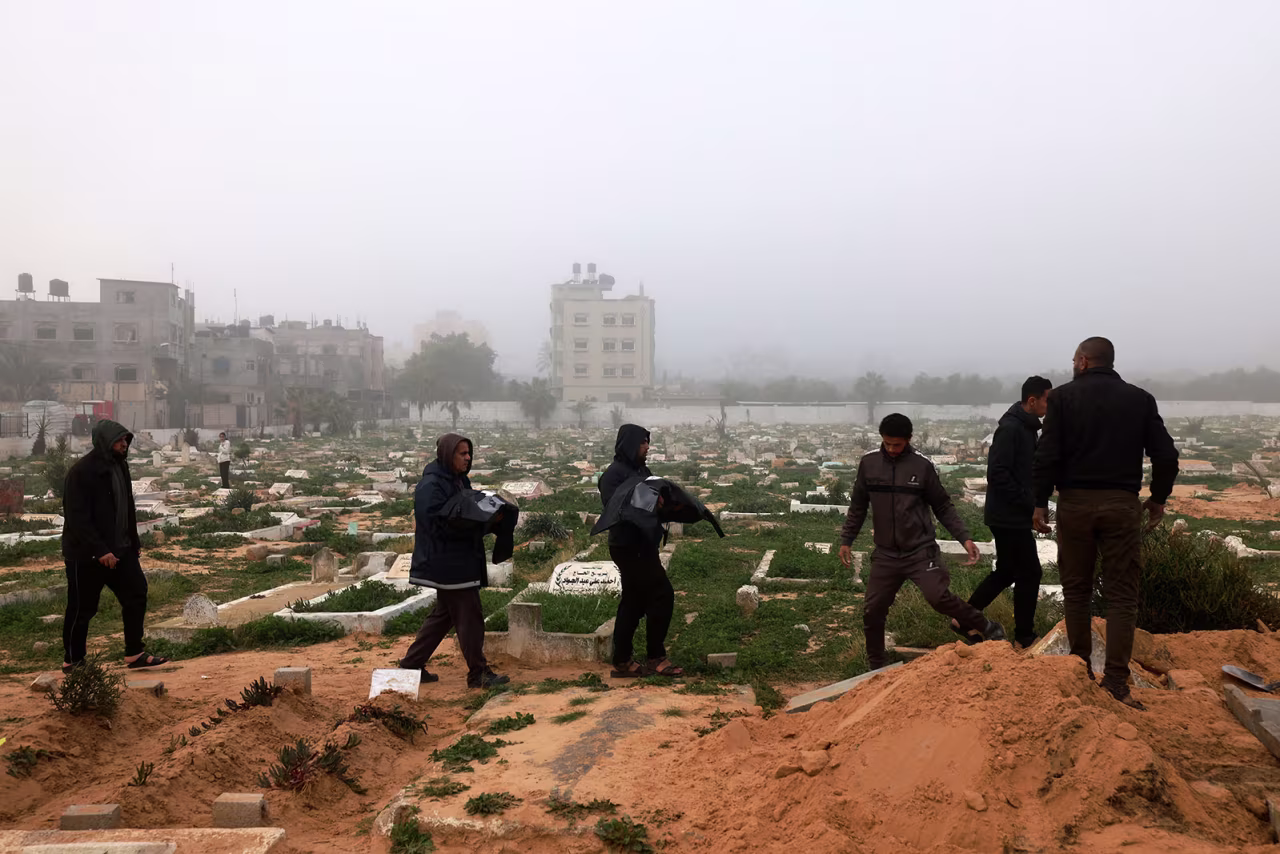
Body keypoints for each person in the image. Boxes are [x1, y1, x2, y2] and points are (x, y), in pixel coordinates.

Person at [1033, 337, 1179, 710]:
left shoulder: (1062, 399)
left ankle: (1080, 673)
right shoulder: (1139, 399)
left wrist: (1037, 502)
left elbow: (1047, 455)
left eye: (1073, 359)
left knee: (1077, 591)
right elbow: (1165, 454)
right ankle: (1116, 682)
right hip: (1122, 505)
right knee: (1122, 596)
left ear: (1083, 361)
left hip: (1075, 505)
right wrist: (1158, 498)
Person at [839, 413, 1005, 671]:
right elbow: (858, 506)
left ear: (909, 439)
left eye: (898, 444)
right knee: (873, 610)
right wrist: (847, 539)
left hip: (920, 550)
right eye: (887, 444)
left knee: (938, 597)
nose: (892, 450)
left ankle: (987, 627)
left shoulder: (922, 466)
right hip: (886, 554)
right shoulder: (869, 464)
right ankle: (876, 667)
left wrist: (964, 537)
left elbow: (943, 506)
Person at [399, 433, 509, 689]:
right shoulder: (432, 486)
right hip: (447, 563)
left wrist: (490, 520)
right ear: (448, 455)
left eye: (469, 454)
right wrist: (475, 525)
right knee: (470, 615)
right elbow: (435, 525)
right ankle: (478, 673)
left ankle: (411, 665)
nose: (468, 459)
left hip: (460, 559)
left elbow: (467, 511)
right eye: (462, 454)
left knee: (444, 616)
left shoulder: (459, 481)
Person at [61, 420, 170, 672]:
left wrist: (133, 542)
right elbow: (78, 519)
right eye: (120, 440)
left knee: (136, 593)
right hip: (87, 555)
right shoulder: (81, 472)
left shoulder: (120, 466)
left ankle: (134, 653)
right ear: (105, 442)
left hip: (121, 550)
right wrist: (100, 551)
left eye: (126, 440)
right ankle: (73, 661)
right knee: (82, 609)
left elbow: (125, 509)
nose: (124, 444)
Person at [960, 376, 1053, 649]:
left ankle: (964, 619)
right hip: (1007, 515)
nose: (1050, 405)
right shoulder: (1011, 429)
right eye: (1048, 399)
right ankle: (1024, 636)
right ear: (1032, 400)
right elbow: (998, 474)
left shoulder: (1025, 428)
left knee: (1008, 571)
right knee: (1030, 573)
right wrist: (1029, 506)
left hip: (1012, 513)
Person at [599, 424, 682, 678]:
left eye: (647, 442)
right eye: (643, 442)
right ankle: (656, 657)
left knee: (633, 602)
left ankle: (623, 660)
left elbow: (652, 497)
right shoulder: (613, 475)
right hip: (628, 546)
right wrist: (649, 502)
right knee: (662, 595)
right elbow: (619, 508)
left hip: (643, 544)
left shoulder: (641, 470)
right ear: (629, 444)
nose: (647, 447)